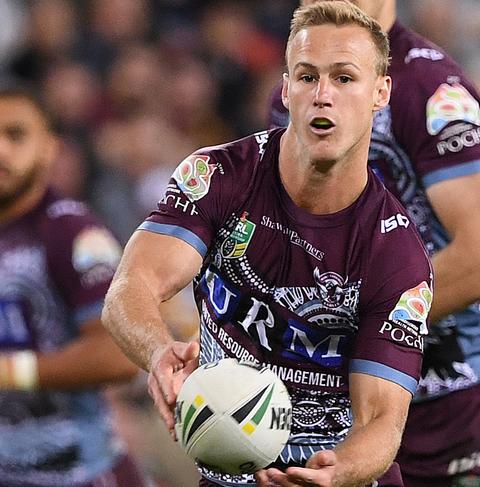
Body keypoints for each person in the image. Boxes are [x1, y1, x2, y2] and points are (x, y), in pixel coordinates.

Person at [101, 3, 434, 487]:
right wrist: (157, 351)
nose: (323, 95)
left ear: (380, 92)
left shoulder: (397, 255)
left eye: (344, 78)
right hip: (225, 465)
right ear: (285, 88)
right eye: (306, 77)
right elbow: (130, 289)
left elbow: (382, 421)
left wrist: (337, 471)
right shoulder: (219, 177)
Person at [267, 2, 480, 486]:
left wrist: (361, 325)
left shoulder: (429, 89)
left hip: (454, 410)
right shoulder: (292, 92)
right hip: (343, 418)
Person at [0, 84, 149, 486]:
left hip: (78, 472)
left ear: (49, 148)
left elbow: (118, 354)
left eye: (16, 135)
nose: (1, 150)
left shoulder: (72, 231)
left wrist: (10, 371)